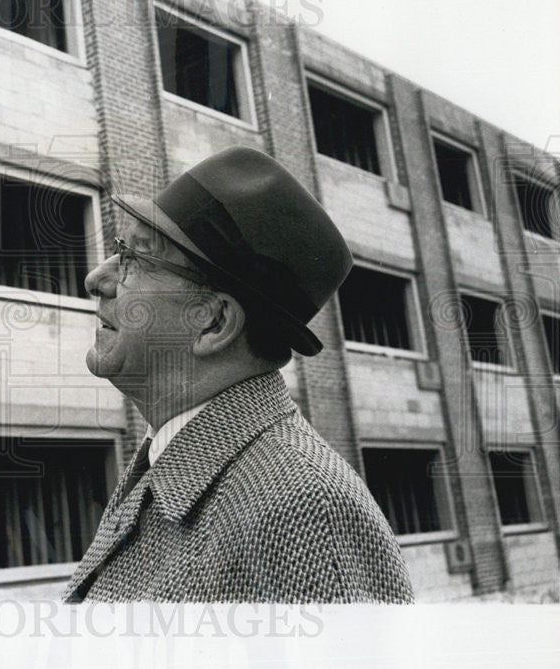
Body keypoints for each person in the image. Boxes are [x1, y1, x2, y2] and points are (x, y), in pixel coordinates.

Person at [62, 147, 414, 603]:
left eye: (137, 259)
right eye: (118, 250)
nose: (96, 278)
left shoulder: (301, 509)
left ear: (213, 323)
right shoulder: (179, 464)